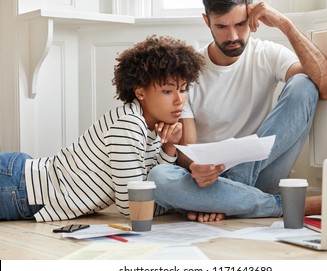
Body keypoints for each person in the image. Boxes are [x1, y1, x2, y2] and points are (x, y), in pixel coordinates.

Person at [147, 0, 327, 222]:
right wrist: (196, 168)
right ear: (206, 21)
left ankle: (228, 197)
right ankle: (282, 204)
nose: (233, 36)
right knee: (158, 178)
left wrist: (285, 24)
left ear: (252, 18)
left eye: (240, 24)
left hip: (262, 172)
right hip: (211, 180)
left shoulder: (267, 54)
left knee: (304, 84)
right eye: (221, 27)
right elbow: (188, 151)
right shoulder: (189, 72)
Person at [0, 35, 205, 222]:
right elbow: (133, 207)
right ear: (140, 92)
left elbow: (146, 183)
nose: (179, 100)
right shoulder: (129, 124)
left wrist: (169, 146)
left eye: (183, 89)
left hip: (22, 184)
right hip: (18, 186)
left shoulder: (151, 127)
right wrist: (183, 207)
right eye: (168, 91)